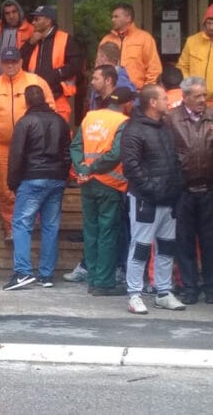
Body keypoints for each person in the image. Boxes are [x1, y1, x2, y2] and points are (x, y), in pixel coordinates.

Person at [166, 76, 213, 305]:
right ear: (185, 97)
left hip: (210, 190)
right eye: (197, 96)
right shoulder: (171, 119)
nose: (202, 100)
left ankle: (212, 288)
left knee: (211, 242)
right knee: (184, 242)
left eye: (204, 95)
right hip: (183, 190)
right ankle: (190, 287)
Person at [120, 84, 186, 314]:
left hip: (168, 198)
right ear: (153, 103)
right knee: (141, 246)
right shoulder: (133, 130)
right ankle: (135, 294)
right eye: (165, 98)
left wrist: (175, 186)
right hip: (145, 200)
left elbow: (174, 159)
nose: (169, 102)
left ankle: (163, 291)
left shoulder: (165, 127)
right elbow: (131, 166)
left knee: (167, 248)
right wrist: (151, 188)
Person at [0, 46, 54, 241]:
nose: (10, 65)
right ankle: (11, 228)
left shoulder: (36, 82)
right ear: (1, 63)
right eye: (6, 62)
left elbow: (50, 110)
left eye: (14, 61)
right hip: (2, 147)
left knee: (32, 186)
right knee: (6, 189)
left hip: (32, 148)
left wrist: (43, 141)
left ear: (21, 61)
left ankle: (30, 225)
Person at [3, 85, 70, 290]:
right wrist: (63, 177)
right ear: (45, 99)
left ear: (26, 101)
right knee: (50, 227)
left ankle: (23, 272)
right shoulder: (61, 121)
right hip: (56, 179)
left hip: (32, 178)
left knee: (22, 224)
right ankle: (46, 275)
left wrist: (12, 182)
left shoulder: (25, 123)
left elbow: (16, 157)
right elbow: (68, 153)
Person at [70, 70, 130, 295]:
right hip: (109, 184)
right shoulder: (123, 122)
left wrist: (83, 168)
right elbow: (116, 154)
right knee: (107, 233)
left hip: (87, 183)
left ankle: (93, 277)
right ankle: (103, 282)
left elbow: (75, 146)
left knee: (91, 231)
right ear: (126, 105)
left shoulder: (89, 117)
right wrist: (94, 168)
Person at [20, 5, 84, 125]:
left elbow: (76, 65)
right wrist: (30, 43)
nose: (33, 23)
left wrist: (54, 75)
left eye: (37, 19)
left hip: (57, 97)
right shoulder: (33, 40)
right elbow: (18, 62)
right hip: (33, 99)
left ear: (48, 21)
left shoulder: (66, 39)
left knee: (58, 137)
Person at [100, 3, 162, 91]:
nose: (112, 20)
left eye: (116, 17)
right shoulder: (106, 40)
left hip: (136, 94)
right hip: (109, 93)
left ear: (128, 18)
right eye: (112, 17)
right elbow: (99, 68)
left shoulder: (144, 38)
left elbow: (154, 69)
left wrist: (146, 92)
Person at [87, 42, 135, 111]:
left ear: (103, 57)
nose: (96, 60)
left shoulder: (121, 82)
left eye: (97, 56)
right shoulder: (102, 76)